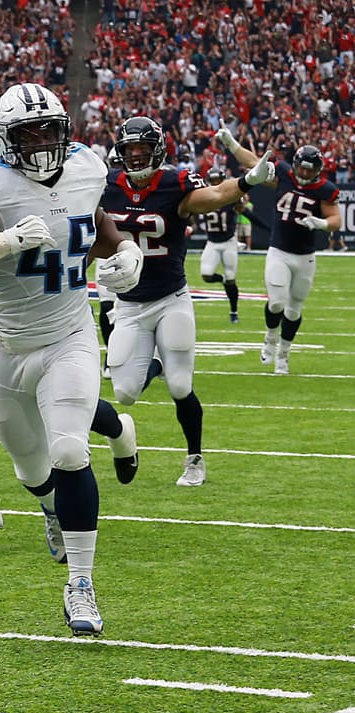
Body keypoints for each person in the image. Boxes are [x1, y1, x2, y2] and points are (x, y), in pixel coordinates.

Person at [0, 82, 146, 636]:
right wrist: (0, 244)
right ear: (4, 139)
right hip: (3, 345)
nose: (43, 141)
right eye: (28, 132)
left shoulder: (87, 166)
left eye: (50, 128)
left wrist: (126, 252)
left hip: (68, 334)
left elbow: (95, 226)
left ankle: (82, 585)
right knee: (30, 469)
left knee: (70, 450)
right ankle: (49, 510)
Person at [102, 116, 275, 488]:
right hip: (129, 303)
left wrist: (248, 181)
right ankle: (158, 363)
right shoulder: (107, 187)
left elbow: (214, 197)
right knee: (125, 393)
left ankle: (194, 458)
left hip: (169, 298)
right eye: (129, 149)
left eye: (142, 149)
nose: (135, 156)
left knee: (180, 387)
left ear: (157, 151)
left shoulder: (173, 182)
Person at [217, 131, 340, 375]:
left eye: (309, 170)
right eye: (301, 169)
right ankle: (270, 338)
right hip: (279, 251)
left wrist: (322, 224)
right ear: (295, 165)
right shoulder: (283, 174)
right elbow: (254, 162)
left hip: (305, 256)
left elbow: (335, 218)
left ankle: (284, 353)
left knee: (294, 310)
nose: (304, 174)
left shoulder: (324, 189)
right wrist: (231, 143)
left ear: (317, 169)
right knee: (276, 303)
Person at [196, 167, 247, 323]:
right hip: (212, 242)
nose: (215, 184)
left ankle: (234, 311)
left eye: (218, 181)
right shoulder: (204, 197)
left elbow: (242, 209)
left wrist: (240, 205)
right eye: (213, 181)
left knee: (231, 278)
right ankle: (222, 279)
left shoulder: (230, 198)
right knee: (206, 275)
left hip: (228, 242)